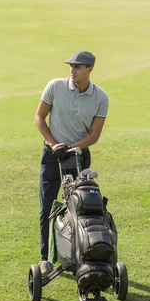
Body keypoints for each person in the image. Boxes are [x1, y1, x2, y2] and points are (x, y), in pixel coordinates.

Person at [34, 50, 109, 276]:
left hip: (79, 157)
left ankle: (79, 254)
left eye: (78, 67)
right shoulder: (55, 86)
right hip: (52, 155)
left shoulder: (101, 98)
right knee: (47, 205)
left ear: (90, 69)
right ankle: (45, 259)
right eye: (71, 66)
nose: (72, 70)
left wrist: (74, 147)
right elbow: (39, 118)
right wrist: (54, 143)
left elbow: (94, 135)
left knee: (80, 207)